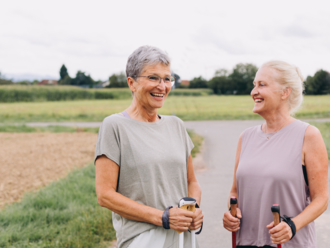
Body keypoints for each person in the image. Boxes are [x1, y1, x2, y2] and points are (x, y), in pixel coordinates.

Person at [95, 45, 203, 248]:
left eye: (167, 79)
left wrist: (194, 209)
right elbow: (105, 195)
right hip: (143, 239)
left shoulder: (176, 125)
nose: (162, 86)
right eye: (153, 78)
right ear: (132, 83)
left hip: (182, 237)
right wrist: (162, 217)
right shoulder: (114, 126)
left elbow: (192, 182)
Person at [223, 60, 328, 248]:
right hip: (246, 242)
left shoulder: (308, 135)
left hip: (289, 243)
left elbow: (321, 199)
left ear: (284, 92)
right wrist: (231, 213)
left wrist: (292, 226)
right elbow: (235, 191)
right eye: (254, 85)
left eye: (261, 85)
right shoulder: (245, 137)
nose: (253, 91)